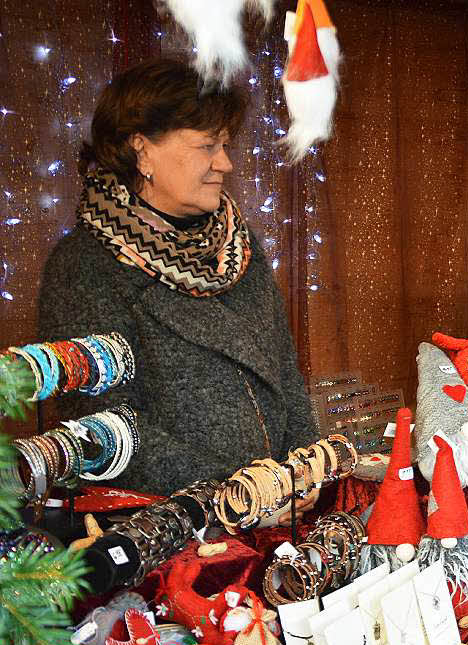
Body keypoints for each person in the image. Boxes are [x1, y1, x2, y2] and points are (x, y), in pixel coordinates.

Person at [39, 59, 319, 519]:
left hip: (276, 513)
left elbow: (284, 371)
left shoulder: (239, 248)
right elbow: (102, 427)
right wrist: (238, 493)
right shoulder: (85, 267)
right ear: (142, 151)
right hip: (169, 529)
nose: (224, 163)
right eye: (207, 145)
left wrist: (305, 467)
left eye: (225, 144)